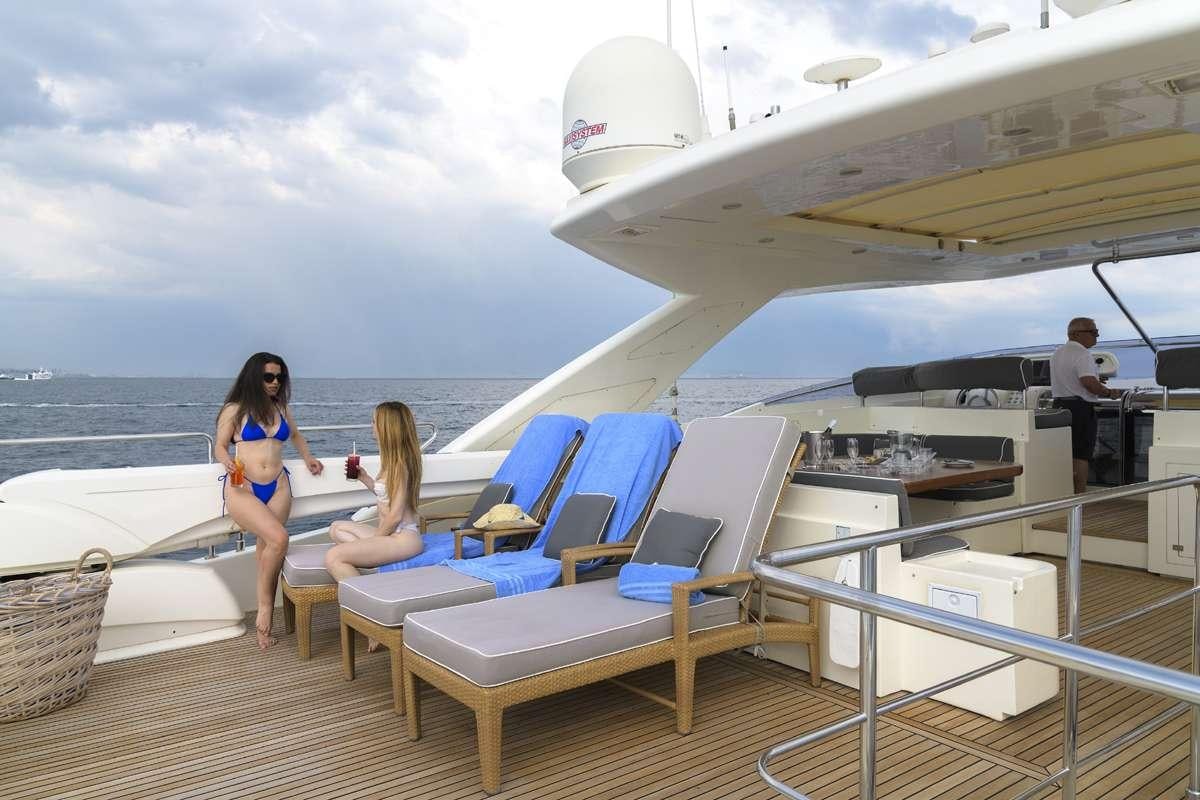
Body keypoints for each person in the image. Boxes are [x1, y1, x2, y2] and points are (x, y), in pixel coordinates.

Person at [215, 352, 324, 650]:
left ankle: (265, 628)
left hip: (278, 485)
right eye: (268, 377)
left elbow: (297, 436)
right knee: (279, 539)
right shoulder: (234, 410)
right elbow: (220, 446)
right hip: (244, 487)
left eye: (279, 377)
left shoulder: (281, 408)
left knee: (268, 548)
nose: (275, 382)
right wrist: (226, 461)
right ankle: (265, 608)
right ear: (254, 377)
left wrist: (308, 458)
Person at [323, 402, 425, 585]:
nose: (372, 426)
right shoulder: (391, 461)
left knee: (333, 557)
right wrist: (365, 478)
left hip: (403, 538)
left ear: (386, 428)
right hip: (393, 535)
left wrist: (374, 542)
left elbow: (395, 516)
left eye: (374, 421)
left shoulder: (400, 466)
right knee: (335, 528)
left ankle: (366, 599)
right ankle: (368, 562)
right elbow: (386, 496)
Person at [1050, 318, 1122, 494]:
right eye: (1093, 332)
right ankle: (1079, 496)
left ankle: (1064, 493)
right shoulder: (1082, 354)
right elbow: (1088, 382)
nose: (1096, 336)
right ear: (1075, 334)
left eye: (1096, 332)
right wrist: (1109, 393)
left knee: (1064, 453)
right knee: (1081, 455)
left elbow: (1073, 378)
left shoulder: (1057, 353)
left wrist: (1096, 381)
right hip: (1080, 409)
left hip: (1059, 407)